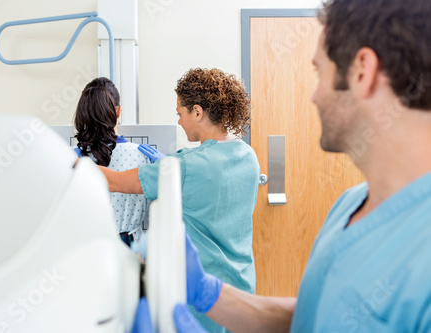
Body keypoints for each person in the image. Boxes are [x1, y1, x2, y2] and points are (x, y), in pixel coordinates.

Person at [134, 0, 431, 331]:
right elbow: (314, 318)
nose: (314, 96)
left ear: (363, 71)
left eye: (320, 72)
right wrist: (210, 295)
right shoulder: (348, 206)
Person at [99, 68, 260, 332]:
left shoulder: (184, 166)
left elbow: (116, 181)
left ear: (197, 112)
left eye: (180, 113)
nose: (178, 122)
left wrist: (71, 162)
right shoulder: (248, 155)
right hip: (242, 288)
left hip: (201, 293)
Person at [73, 77, 151, 246]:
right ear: (118, 111)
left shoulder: (71, 160)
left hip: (85, 250)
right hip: (132, 251)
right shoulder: (143, 156)